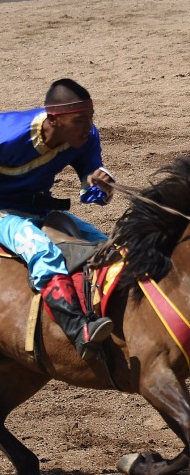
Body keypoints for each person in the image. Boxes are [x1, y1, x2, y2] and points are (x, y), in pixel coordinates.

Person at [0, 79, 116, 360]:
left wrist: (101, 186)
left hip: (41, 210)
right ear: (54, 119)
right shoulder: (7, 134)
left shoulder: (85, 138)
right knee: (41, 251)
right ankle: (78, 329)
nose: (88, 127)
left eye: (90, 118)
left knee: (108, 246)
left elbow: (92, 195)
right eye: (80, 120)